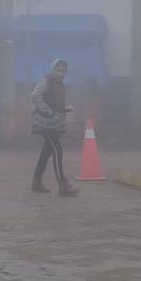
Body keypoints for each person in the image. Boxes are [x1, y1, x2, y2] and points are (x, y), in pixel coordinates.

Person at [31, 59, 79, 197]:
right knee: (57, 150)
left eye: (63, 71)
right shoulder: (46, 81)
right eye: (58, 70)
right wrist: (47, 111)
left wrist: (65, 109)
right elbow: (35, 96)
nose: (61, 73)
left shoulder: (59, 84)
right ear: (52, 69)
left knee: (46, 153)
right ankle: (62, 185)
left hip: (54, 123)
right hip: (46, 123)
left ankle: (36, 182)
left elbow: (54, 103)